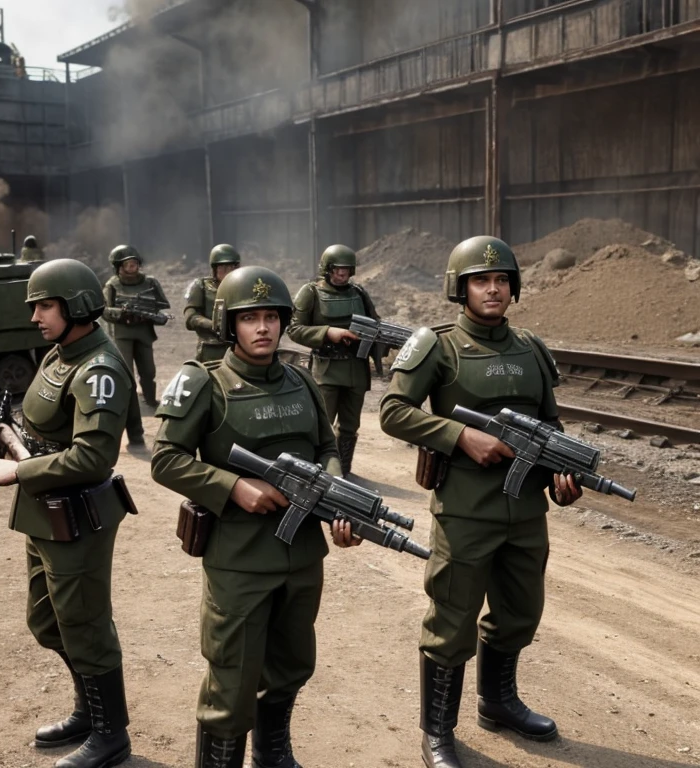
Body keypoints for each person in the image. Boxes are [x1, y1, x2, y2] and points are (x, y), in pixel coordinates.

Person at [378, 236, 582, 768]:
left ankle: (499, 702)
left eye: (501, 281)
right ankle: (438, 730)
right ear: (460, 288)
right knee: (452, 618)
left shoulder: (531, 348)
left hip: (526, 509)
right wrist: (459, 436)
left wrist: (563, 469)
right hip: (466, 510)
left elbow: (551, 422)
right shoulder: (436, 346)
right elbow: (394, 410)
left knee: (520, 612)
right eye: (480, 281)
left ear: (512, 288)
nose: (492, 289)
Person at [151, 265, 360, 768]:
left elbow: (327, 446)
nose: (263, 327)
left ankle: (272, 750)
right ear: (229, 324)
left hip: (302, 552)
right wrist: (234, 487)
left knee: (292, 663)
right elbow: (166, 459)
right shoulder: (203, 382)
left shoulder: (302, 381)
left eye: (271, 317)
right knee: (233, 675)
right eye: (250, 318)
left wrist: (337, 494)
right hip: (239, 559)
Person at [0, 258, 139, 768]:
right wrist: (13, 443)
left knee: (85, 624)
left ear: (76, 306)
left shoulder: (99, 368)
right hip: (45, 513)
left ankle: (111, 735)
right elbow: (47, 430)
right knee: (47, 619)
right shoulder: (59, 355)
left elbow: (93, 455)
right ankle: (88, 711)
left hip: (78, 516)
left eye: (44, 305)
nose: (35, 316)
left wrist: (18, 473)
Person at [287, 244, 380, 477]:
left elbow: (375, 323)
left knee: (350, 426)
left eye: (346, 270)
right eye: (337, 270)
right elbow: (294, 328)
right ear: (327, 269)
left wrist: (382, 340)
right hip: (326, 369)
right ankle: (316, 472)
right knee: (321, 424)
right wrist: (327, 333)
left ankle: (343, 472)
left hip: (356, 369)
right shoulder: (311, 292)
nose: (342, 274)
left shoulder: (358, 293)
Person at [102, 244, 170, 409]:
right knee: (125, 371)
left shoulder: (150, 282)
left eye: (134, 263)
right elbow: (104, 311)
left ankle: (150, 399)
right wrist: (122, 313)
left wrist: (149, 313)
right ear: (118, 267)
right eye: (127, 264)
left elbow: (161, 304)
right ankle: (128, 404)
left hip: (144, 331)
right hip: (122, 333)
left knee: (148, 370)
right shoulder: (112, 285)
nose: (132, 268)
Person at [183, 243, 241, 363]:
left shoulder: (243, 287)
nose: (228, 272)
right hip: (212, 347)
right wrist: (214, 325)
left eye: (231, 267)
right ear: (214, 269)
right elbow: (190, 317)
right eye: (223, 268)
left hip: (239, 345)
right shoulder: (201, 286)